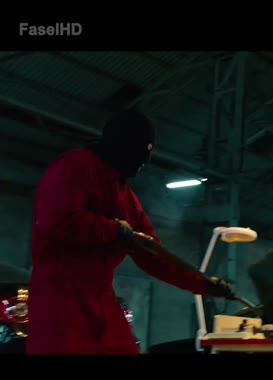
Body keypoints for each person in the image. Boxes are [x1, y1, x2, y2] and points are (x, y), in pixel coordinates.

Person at [27, 109, 233, 354]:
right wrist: (114, 230)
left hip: (102, 302)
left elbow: (152, 254)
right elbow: (57, 220)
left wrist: (203, 284)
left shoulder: (125, 196)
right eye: (140, 154)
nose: (143, 163)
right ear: (122, 146)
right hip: (60, 300)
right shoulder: (75, 165)